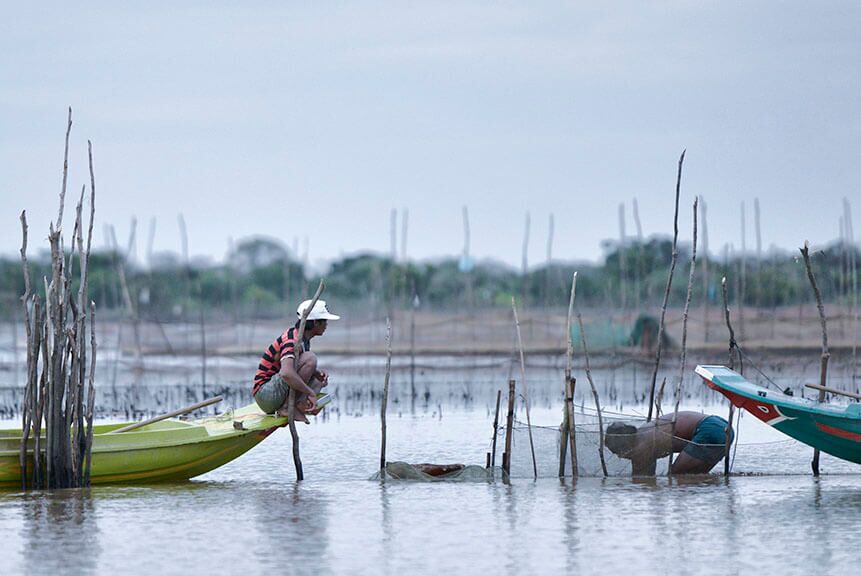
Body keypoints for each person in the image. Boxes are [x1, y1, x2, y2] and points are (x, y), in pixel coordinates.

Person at [252, 299, 340, 422]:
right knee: (310, 358)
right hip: (265, 394)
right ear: (315, 323)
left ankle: (299, 405)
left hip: (275, 393)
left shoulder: (304, 340)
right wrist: (310, 392)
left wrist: (315, 374)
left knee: (319, 381)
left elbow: (294, 366)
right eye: (324, 321)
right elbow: (286, 373)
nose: (326, 325)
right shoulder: (292, 339)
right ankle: (288, 407)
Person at [604, 411, 734, 475]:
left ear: (625, 444)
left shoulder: (641, 447)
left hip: (708, 429)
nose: (619, 457)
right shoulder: (644, 432)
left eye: (617, 452)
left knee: (675, 474)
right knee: (697, 477)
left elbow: (640, 480)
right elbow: (648, 477)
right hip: (724, 427)